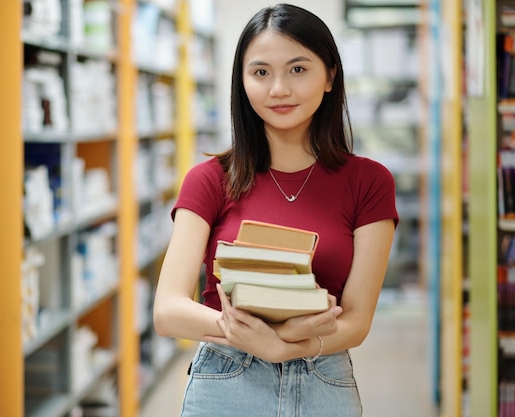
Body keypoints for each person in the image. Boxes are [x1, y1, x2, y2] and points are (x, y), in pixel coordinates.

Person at [153, 3, 398, 416]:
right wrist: (250, 337)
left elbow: (357, 320)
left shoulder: (369, 182)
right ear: (242, 82)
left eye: (298, 69)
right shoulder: (209, 179)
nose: (278, 89)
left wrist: (292, 345)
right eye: (261, 72)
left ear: (330, 76)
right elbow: (167, 310)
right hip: (225, 378)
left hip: (324, 378)